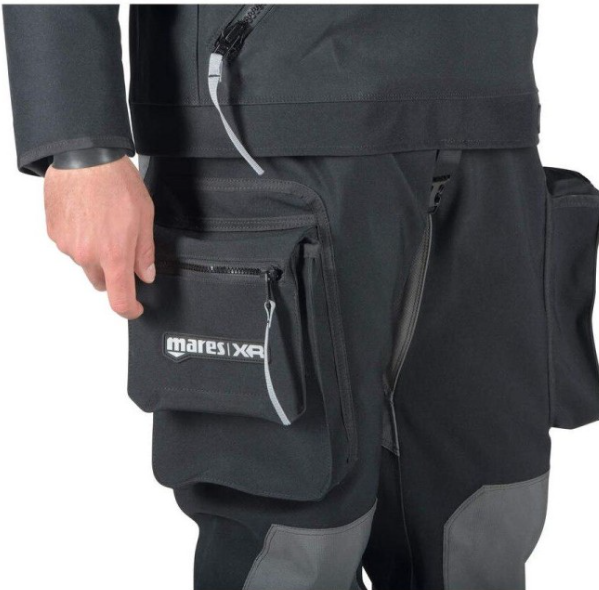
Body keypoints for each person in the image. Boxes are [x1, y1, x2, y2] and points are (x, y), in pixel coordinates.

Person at [4, 5, 599, 590]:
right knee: (290, 541)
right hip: (264, 132)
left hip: (491, 124)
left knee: (483, 521)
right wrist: (78, 141)